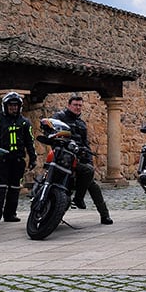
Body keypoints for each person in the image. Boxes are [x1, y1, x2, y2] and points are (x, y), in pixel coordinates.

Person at [52, 95, 113, 224]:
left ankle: (104, 214)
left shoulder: (81, 124)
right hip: (62, 157)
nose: (78, 107)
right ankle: (54, 215)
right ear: (69, 105)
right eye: (75, 105)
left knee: (92, 182)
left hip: (77, 159)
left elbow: (86, 144)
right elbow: (51, 132)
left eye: (80, 105)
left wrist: (89, 160)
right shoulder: (59, 117)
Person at [0, 92, 38, 226]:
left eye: (16, 105)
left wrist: (33, 158)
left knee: (15, 188)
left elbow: (30, 142)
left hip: (17, 161)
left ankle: (10, 214)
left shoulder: (24, 122)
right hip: (0, 160)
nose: (13, 108)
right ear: (5, 106)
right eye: (11, 105)